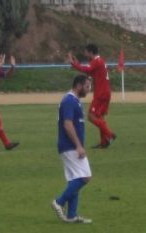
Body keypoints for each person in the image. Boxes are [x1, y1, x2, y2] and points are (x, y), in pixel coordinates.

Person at [51, 75, 93, 224]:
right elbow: (67, 124)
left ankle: (72, 215)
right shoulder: (69, 100)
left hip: (70, 146)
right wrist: (78, 145)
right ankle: (59, 202)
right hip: (69, 146)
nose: (89, 89)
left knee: (75, 179)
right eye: (87, 86)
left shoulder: (75, 101)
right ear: (78, 86)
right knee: (85, 176)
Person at [68, 44, 116, 149]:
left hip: (101, 93)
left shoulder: (96, 61)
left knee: (91, 116)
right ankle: (104, 142)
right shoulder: (100, 61)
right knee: (99, 117)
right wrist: (76, 64)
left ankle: (109, 134)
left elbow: (87, 70)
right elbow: (89, 71)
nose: (85, 54)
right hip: (106, 92)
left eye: (86, 52)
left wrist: (74, 64)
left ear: (90, 52)